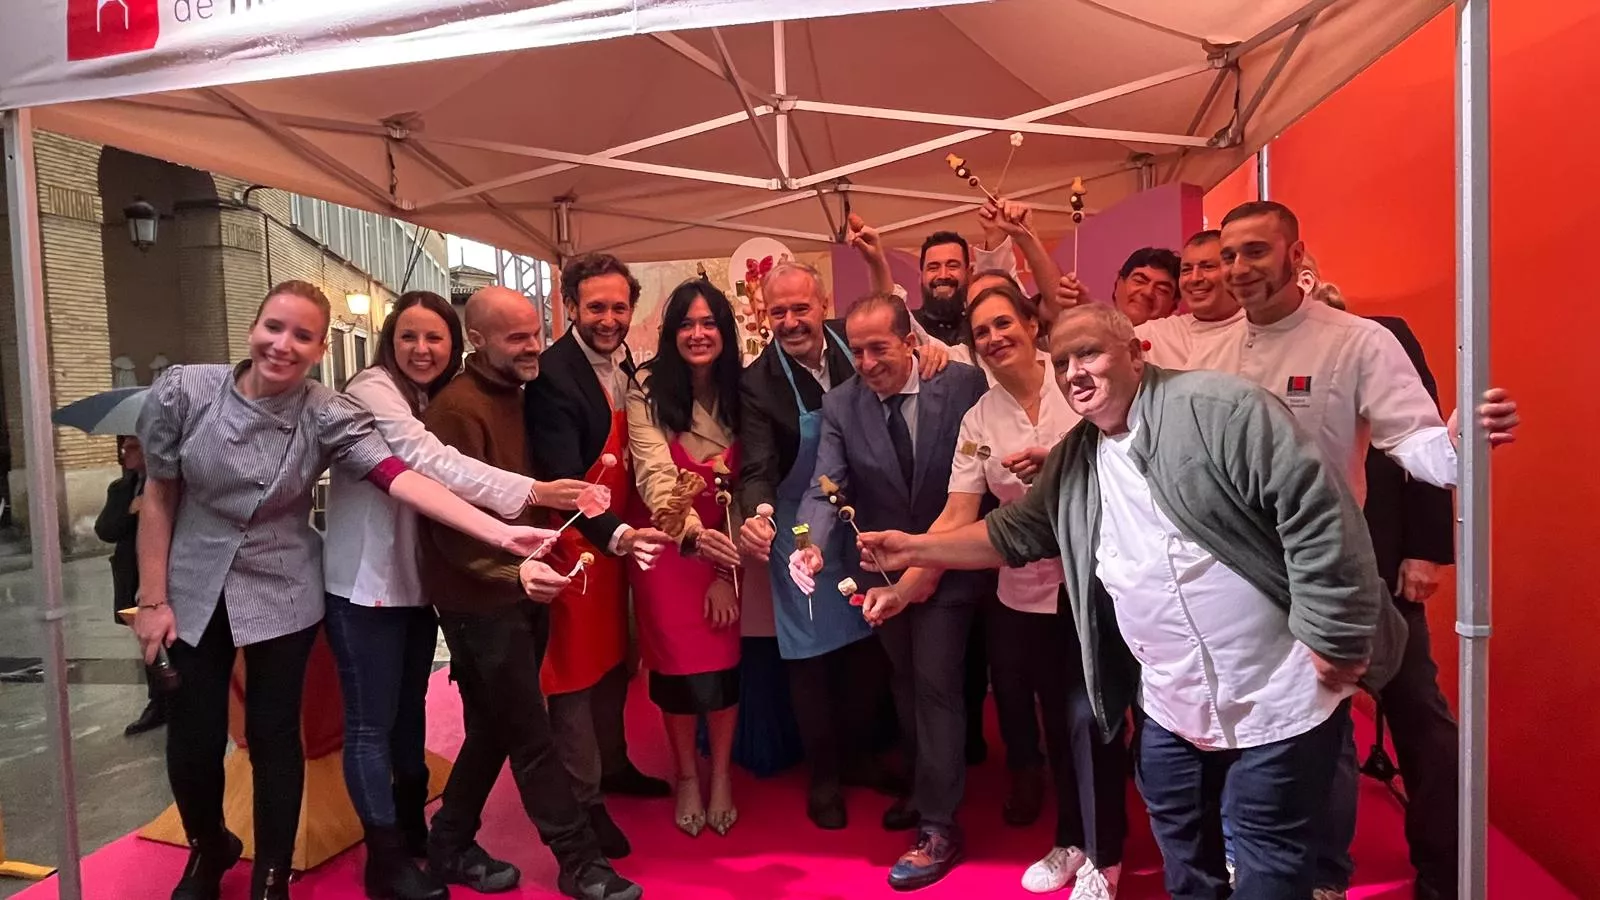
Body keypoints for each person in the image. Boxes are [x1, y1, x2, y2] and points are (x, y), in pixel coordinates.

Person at [858, 303, 1520, 898]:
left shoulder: (1224, 409)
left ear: (1137, 353)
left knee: (1267, 866)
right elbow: (1014, 532)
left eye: (1089, 353)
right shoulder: (1079, 454)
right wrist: (912, 550)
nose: (1074, 372)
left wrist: (1335, 635)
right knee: (1186, 858)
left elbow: (1321, 517)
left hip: (1276, 695)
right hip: (1171, 702)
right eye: (1063, 362)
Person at [132, 280, 555, 900]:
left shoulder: (326, 411)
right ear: (254, 326)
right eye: (275, 327)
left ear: (319, 345)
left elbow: (400, 478)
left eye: (302, 336)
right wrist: (151, 598)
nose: (284, 345)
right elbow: (159, 495)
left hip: (284, 586)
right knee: (193, 735)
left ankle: (273, 875)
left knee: (279, 737)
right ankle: (208, 846)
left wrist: (499, 533)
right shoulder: (185, 390)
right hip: (197, 583)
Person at [323, 290, 597, 900]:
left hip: (425, 585)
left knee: (448, 725)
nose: (422, 349)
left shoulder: (454, 397)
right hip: (371, 584)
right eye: (409, 337)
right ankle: (391, 858)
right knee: (380, 727)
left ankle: (438, 840)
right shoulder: (383, 393)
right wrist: (536, 498)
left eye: (433, 338)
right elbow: (429, 466)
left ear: (455, 343)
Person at [420, 285, 665, 900]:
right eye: (518, 338)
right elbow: (444, 524)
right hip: (480, 599)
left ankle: (446, 843)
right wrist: (512, 572)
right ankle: (579, 862)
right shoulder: (456, 409)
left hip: (522, 586)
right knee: (531, 734)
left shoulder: (520, 393)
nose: (535, 346)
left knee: (497, 730)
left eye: (536, 331)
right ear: (477, 341)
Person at [898, 283, 1126, 897]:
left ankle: (1106, 857)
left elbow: (1125, 462)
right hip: (1023, 592)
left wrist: (1058, 463)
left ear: (1032, 324)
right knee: (1057, 718)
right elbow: (959, 512)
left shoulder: (1077, 385)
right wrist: (908, 581)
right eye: (982, 334)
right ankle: (1073, 839)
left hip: (1097, 584)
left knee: (1094, 717)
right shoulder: (980, 418)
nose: (995, 339)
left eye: (1005, 324)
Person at [789, 293, 992, 891]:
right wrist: (812, 543)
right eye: (856, 350)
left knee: (934, 685)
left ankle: (937, 824)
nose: (868, 361)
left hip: (951, 562)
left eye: (880, 347)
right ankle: (927, 788)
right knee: (904, 682)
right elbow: (825, 487)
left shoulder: (961, 385)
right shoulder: (840, 403)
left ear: (912, 341)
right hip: (880, 570)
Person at [737, 260, 904, 830]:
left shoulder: (853, 342)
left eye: (800, 308)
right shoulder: (758, 382)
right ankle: (824, 775)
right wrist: (758, 515)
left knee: (866, 646)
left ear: (822, 301)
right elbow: (756, 464)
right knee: (810, 656)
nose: (790, 321)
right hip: (799, 526)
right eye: (777, 311)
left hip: (866, 519)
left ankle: (860, 757)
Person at [524, 253, 667, 855]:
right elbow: (563, 476)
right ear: (570, 307)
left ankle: (616, 765)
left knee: (616, 662)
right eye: (597, 308)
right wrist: (616, 535)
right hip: (576, 543)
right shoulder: (553, 375)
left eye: (619, 308)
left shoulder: (624, 363)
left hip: (617, 540)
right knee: (575, 679)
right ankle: (583, 803)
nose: (609, 319)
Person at [625, 279, 748, 837]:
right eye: (687, 325)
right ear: (671, 333)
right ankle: (685, 776)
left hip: (729, 546)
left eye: (709, 324)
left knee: (722, 671)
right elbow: (654, 477)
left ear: (725, 331)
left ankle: (719, 774)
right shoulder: (645, 391)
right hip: (669, 548)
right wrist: (695, 541)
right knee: (674, 670)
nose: (698, 334)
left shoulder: (743, 391)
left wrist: (724, 569)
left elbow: (748, 488)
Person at [97, 434, 164, 737]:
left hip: (165, 580)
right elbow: (105, 529)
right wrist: (130, 511)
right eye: (123, 447)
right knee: (147, 644)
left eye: (133, 446)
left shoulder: (169, 483)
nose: (125, 452)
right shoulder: (121, 489)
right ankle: (158, 703)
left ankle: (175, 699)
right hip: (130, 578)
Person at [1132, 230, 1244, 370]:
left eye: (1208, 267)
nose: (1194, 278)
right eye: (1186, 270)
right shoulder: (1155, 334)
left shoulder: (1256, 329)